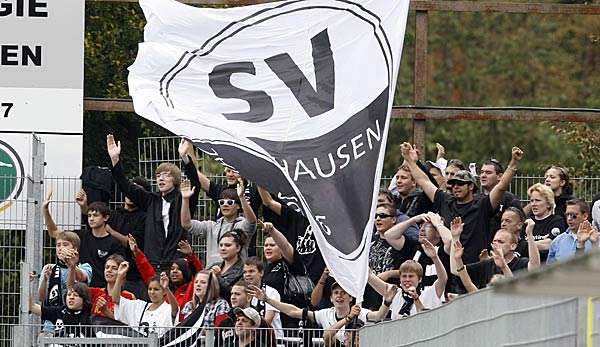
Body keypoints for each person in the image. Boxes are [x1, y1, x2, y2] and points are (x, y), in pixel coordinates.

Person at [401, 143, 524, 265]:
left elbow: (501, 187)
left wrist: (514, 162)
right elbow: (423, 181)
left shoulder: (482, 205)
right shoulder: (445, 200)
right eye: (453, 184)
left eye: (460, 184)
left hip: (476, 266)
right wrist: (408, 159)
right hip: (449, 267)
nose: (455, 187)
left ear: (471, 186)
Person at [107, 134, 201, 271]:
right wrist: (115, 159)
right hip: (153, 261)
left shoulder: (183, 198)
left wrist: (185, 158)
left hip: (176, 263)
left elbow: (195, 184)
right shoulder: (151, 200)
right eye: (158, 176)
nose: (161, 179)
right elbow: (126, 187)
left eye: (166, 175)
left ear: (175, 179)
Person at [178, 139, 264, 257]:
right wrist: (188, 149)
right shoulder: (220, 191)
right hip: (220, 252)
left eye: (234, 171)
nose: (229, 174)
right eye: (227, 170)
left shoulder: (254, 190)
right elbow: (195, 175)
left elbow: (267, 197)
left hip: (245, 252)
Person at [248, 281, 397, 345]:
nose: (340, 296)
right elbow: (293, 311)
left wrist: (387, 302)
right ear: (331, 298)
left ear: (350, 297)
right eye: (336, 293)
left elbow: (379, 316)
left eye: (344, 293)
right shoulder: (324, 314)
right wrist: (267, 299)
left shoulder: (360, 312)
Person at [75, 176, 150, 299]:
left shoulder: (145, 218)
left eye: (136, 191)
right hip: (108, 276)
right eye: (130, 189)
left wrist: (112, 232)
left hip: (133, 277)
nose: (131, 193)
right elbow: (94, 223)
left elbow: (133, 244)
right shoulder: (115, 214)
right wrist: (84, 206)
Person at [44, 189, 124, 288]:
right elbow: (54, 232)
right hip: (82, 290)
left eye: (95, 215)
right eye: (89, 215)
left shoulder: (114, 243)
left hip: (103, 291)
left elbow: (119, 271)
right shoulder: (81, 236)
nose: (91, 218)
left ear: (105, 218)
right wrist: (45, 210)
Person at [181, 177, 257, 266]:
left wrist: (241, 198)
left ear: (238, 206)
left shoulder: (242, 226)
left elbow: (252, 222)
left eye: (229, 202)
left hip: (236, 275)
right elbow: (186, 224)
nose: (225, 204)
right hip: (212, 273)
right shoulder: (211, 226)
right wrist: (185, 199)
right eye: (221, 202)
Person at [257, 186, 326, 284]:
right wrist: (257, 177)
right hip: (299, 275)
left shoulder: (326, 220)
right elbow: (268, 202)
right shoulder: (296, 216)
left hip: (324, 273)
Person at [450, 217, 540, 289]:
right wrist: (455, 237)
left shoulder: (521, 263)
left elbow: (535, 266)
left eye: (500, 242)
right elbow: (456, 270)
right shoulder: (487, 264)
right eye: (494, 241)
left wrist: (529, 234)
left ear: (513, 246)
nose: (496, 244)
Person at [368, 238, 447, 319]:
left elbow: (443, 279)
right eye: (404, 276)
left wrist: (435, 258)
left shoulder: (429, 293)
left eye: (411, 276)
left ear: (419, 279)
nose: (407, 279)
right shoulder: (394, 293)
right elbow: (369, 276)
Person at [128, 234, 202, 320]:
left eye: (179, 269)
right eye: (172, 268)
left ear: (186, 272)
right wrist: (137, 253)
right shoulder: (164, 287)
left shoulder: (191, 288)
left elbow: (199, 274)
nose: (174, 271)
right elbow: (148, 272)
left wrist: (190, 255)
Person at [111, 261, 179, 337]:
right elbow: (116, 299)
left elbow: (175, 310)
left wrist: (166, 288)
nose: (152, 292)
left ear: (163, 292)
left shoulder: (167, 308)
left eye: (156, 289)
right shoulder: (139, 306)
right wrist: (119, 276)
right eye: (150, 289)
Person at [70, 253, 135, 319]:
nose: (109, 270)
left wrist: (106, 311)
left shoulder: (128, 297)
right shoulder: (95, 292)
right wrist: (72, 267)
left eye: (114, 268)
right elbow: (72, 289)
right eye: (107, 267)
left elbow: (129, 324)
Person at [477, 158, 522, 243]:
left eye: (488, 173)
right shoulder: (476, 198)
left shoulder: (510, 199)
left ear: (500, 176)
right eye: (482, 172)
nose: (483, 175)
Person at [29, 281, 93, 338]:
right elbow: (32, 307)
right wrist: (28, 283)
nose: (71, 297)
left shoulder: (90, 314)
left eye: (76, 295)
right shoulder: (59, 311)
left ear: (84, 299)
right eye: (69, 295)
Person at [524, 183, 568, 261]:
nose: (533, 204)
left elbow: (550, 244)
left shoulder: (557, 220)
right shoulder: (527, 221)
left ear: (548, 203)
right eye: (531, 201)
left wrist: (527, 245)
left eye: (537, 200)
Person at [547, 199, 599, 264]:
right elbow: (550, 270)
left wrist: (594, 244)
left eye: (573, 215)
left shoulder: (596, 239)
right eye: (567, 215)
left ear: (585, 216)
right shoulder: (557, 241)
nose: (569, 219)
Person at [243, 257, 283, 339]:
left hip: (273, 340)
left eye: (251, 271)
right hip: (252, 340)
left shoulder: (271, 292)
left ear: (261, 273)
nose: (247, 274)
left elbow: (268, 320)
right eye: (245, 272)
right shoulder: (244, 292)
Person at [211, 230, 248, 297]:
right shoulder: (215, 265)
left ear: (238, 248)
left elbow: (234, 294)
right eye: (221, 245)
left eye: (227, 245)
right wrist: (191, 256)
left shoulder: (244, 269)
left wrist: (218, 278)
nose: (223, 248)